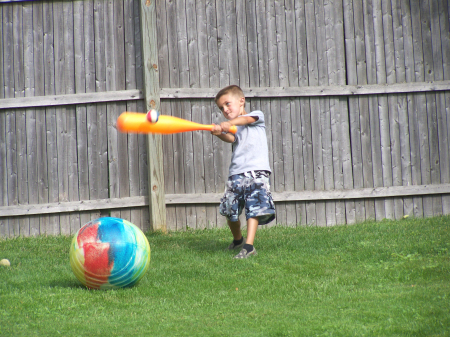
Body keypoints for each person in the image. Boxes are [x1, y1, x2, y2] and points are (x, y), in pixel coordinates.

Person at [211, 85, 276, 259]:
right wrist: (218, 132)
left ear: (241, 101)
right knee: (229, 210)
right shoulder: (235, 127)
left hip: (257, 172)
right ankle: (238, 240)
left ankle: (249, 246)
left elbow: (245, 120)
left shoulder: (256, 116)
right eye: (221, 108)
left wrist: (228, 124)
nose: (225, 110)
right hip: (236, 173)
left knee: (253, 208)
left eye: (227, 104)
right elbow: (232, 138)